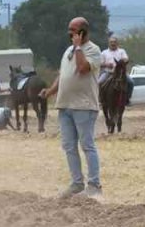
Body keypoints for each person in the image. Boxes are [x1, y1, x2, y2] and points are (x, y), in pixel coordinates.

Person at [42, 17, 103, 199]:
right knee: (69, 146)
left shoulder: (93, 50)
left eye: (74, 30)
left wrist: (78, 48)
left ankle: (94, 186)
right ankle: (77, 184)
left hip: (83, 106)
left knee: (87, 145)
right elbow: (63, 75)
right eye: (69, 30)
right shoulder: (68, 50)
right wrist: (51, 91)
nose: (70, 33)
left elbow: (83, 68)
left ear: (83, 32)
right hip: (65, 106)